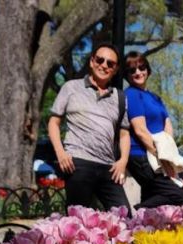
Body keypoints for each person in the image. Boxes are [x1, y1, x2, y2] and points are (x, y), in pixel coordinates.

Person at [48, 43, 131, 212]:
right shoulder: (71, 87)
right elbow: (53, 122)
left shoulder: (120, 97)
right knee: (77, 221)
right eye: (100, 60)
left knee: (124, 218)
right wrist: (61, 153)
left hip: (109, 167)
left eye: (110, 63)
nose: (104, 65)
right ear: (92, 62)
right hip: (78, 163)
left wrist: (123, 161)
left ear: (115, 69)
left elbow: (124, 134)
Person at [123, 51, 183, 208]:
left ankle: (142, 227)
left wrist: (169, 154)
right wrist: (162, 157)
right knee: (176, 195)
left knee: (154, 194)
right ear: (127, 75)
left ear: (148, 70)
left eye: (141, 67)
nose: (138, 72)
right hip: (140, 155)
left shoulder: (155, 98)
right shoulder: (131, 94)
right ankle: (139, 211)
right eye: (132, 70)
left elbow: (167, 125)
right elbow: (140, 130)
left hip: (159, 154)